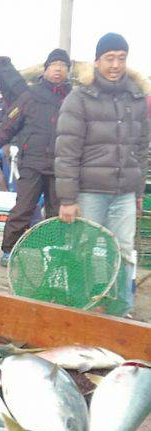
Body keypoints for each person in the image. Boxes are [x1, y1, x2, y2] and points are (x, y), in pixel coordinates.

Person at [55, 33, 149, 316]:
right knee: (81, 249)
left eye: (121, 58)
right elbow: (66, 151)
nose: (115, 64)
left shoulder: (136, 96)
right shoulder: (79, 97)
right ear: (97, 61)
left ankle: (122, 308)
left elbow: (143, 148)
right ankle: (80, 305)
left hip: (124, 193)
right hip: (89, 191)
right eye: (109, 58)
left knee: (123, 250)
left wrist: (139, 192)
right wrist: (68, 199)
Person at [0, 49, 71, 263]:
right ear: (46, 68)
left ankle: (55, 254)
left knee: (57, 214)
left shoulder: (73, 98)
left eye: (63, 65)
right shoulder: (30, 95)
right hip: (31, 163)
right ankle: (8, 250)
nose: (58, 69)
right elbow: (8, 125)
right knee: (22, 208)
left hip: (61, 166)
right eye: (54, 64)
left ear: (68, 70)